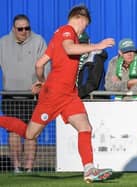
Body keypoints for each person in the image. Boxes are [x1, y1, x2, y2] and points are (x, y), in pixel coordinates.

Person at [2, 5, 115, 183]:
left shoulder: (58, 36)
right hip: (54, 95)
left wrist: (42, 81)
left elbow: (40, 64)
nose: (85, 28)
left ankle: (89, 169)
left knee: (85, 128)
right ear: (80, 18)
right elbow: (70, 49)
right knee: (30, 134)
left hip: (69, 94)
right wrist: (97, 46)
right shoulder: (66, 31)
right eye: (86, 24)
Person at [0, 14, 48, 173]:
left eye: (27, 28)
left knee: (31, 132)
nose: (24, 31)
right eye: (20, 28)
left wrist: (42, 83)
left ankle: (29, 168)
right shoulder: (3, 43)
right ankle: (16, 168)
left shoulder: (38, 41)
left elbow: (46, 64)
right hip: (10, 95)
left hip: (32, 97)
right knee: (13, 132)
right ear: (13, 29)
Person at [77, 32, 108, 99]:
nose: (82, 47)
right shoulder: (75, 59)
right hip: (79, 98)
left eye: (84, 44)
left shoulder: (95, 59)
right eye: (79, 45)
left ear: (89, 43)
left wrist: (76, 93)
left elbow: (92, 84)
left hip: (94, 100)